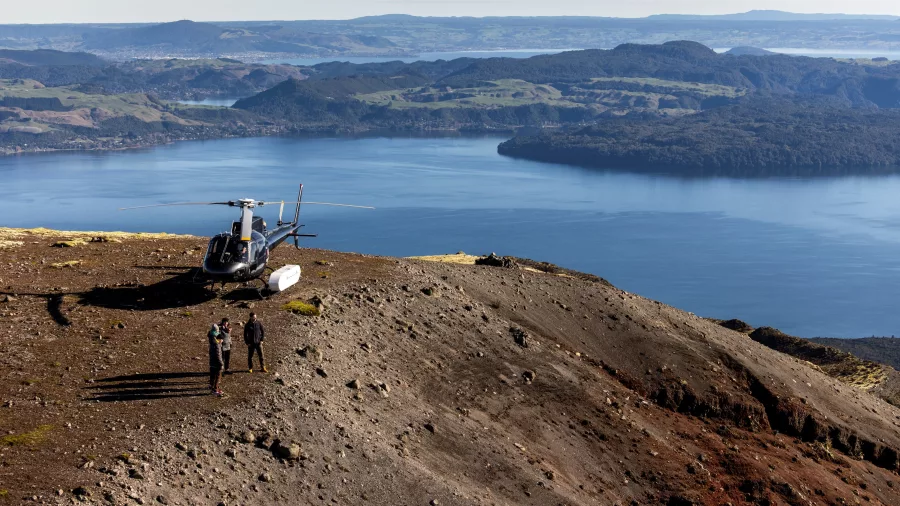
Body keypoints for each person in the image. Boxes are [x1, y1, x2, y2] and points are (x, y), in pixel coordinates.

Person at [208, 323, 224, 396]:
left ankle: (212, 386)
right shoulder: (216, 344)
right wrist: (221, 363)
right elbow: (218, 354)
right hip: (217, 362)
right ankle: (215, 389)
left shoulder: (212, 340)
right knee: (217, 376)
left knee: (212, 374)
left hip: (212, 361)